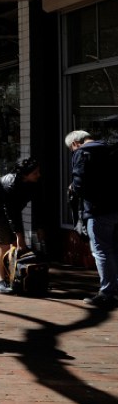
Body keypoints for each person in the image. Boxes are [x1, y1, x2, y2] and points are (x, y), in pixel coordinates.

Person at [67, 130, 117, 308]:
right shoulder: (111, 149)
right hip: (115, 207)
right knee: (113, 250)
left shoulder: (82, 153)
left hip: (97, 210)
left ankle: (107, 292)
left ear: (75, 143)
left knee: (101, 251)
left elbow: (80, 185)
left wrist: (74, 188)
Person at [0, 157, 42, 294]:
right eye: (35, 173)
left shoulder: (33, 182)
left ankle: (14, 277)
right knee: (3, 245)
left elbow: (38, 205)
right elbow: (12, 215)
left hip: (11, 211)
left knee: (15, 244)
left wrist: (39, 227)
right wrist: (20, 237)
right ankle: (0, 282)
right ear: (25, 174)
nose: (39, 175)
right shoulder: (11, 185)